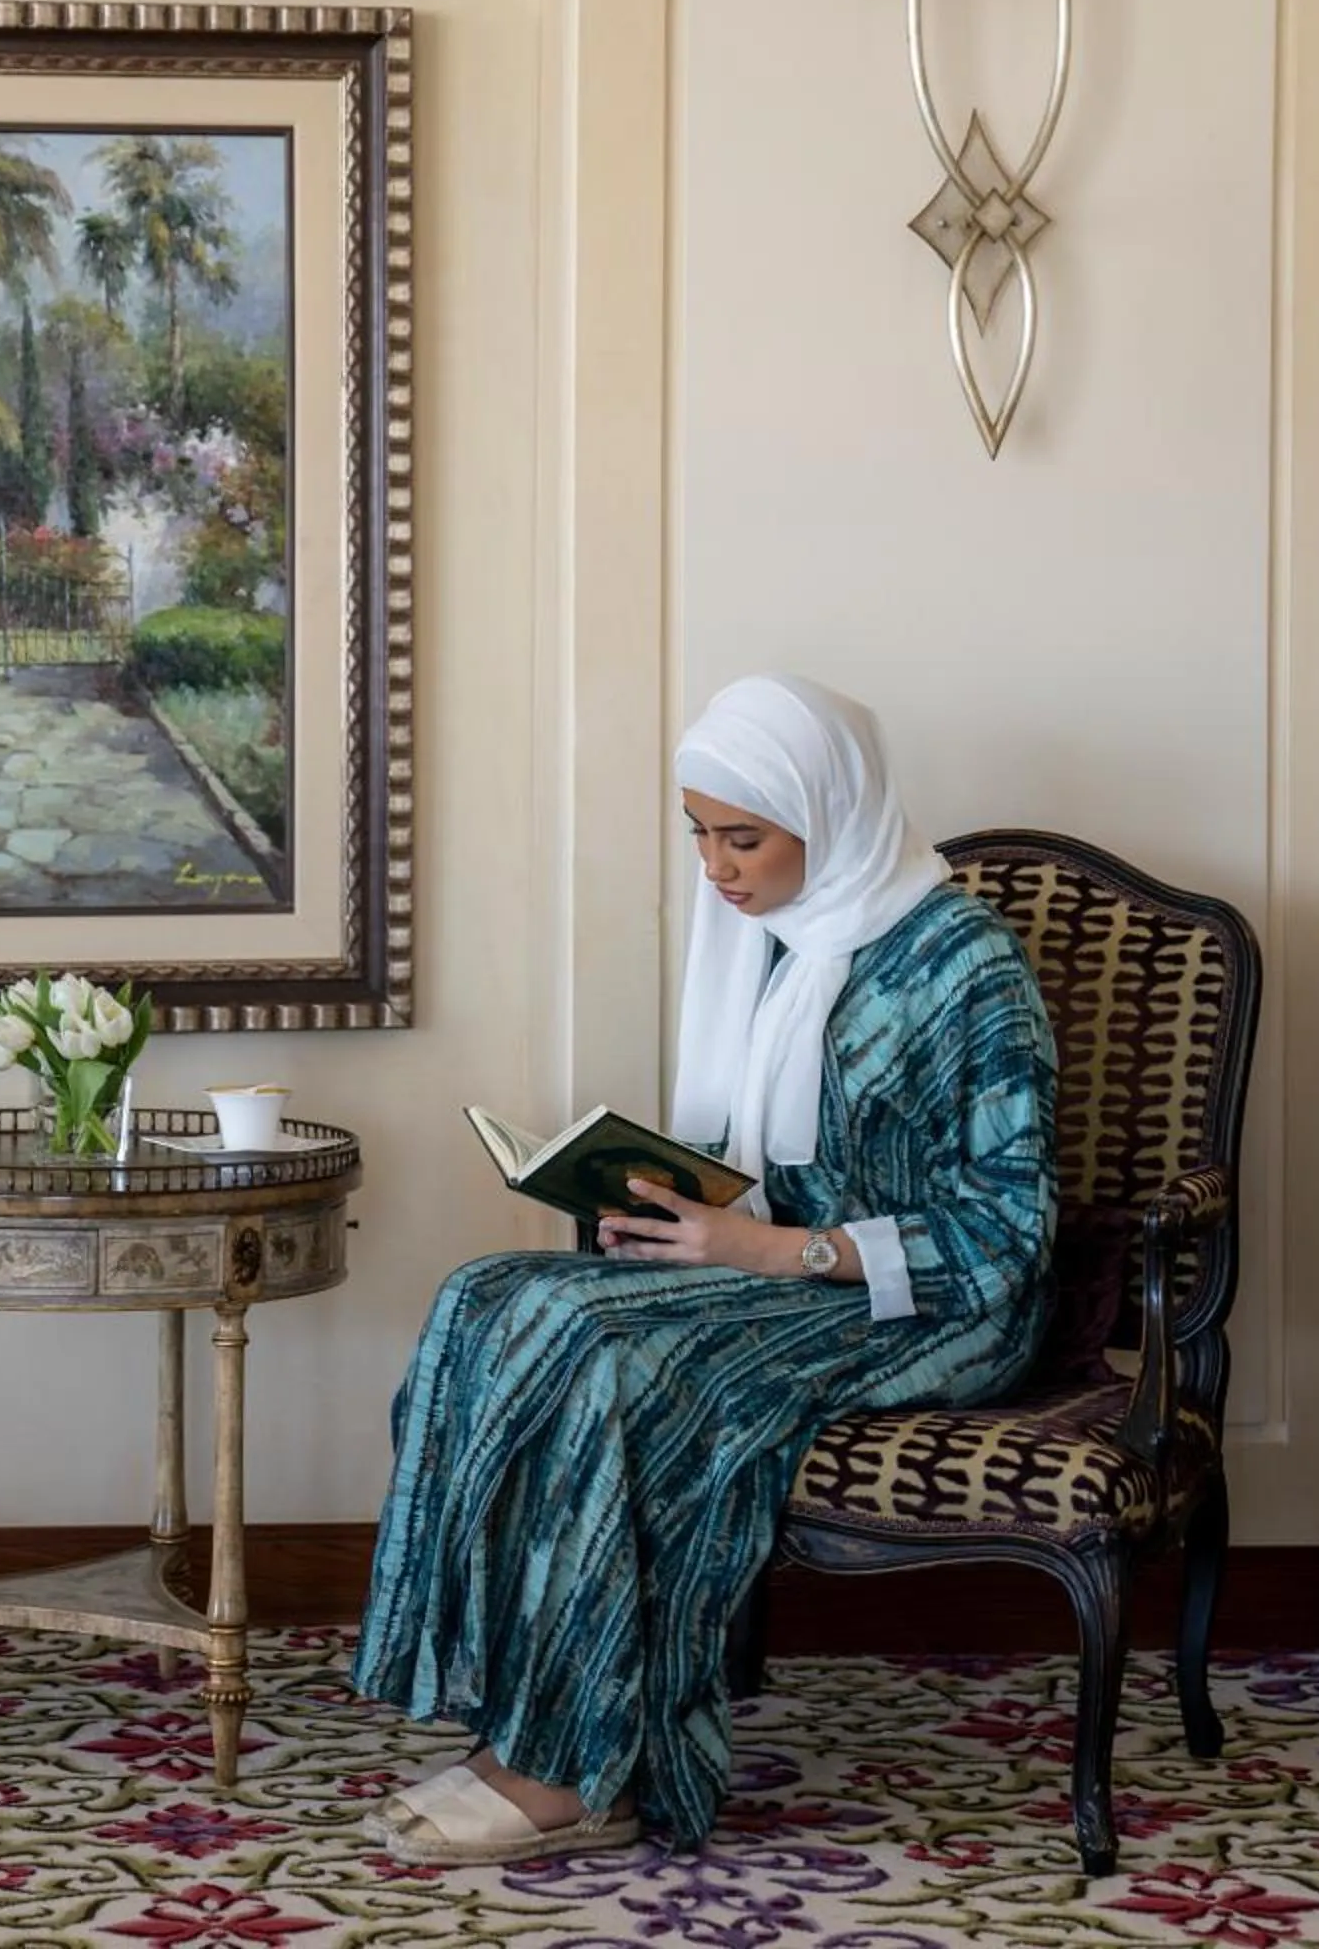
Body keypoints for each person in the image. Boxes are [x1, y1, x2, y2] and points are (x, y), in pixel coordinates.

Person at [350, 673, 1059, 1865]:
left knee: (609, 1353)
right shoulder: (783, 944)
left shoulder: (965, 963)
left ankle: (578, 1768)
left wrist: (761, 1247)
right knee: (488, 1296)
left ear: (828, 820)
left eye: (746, 837)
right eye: (700, 835)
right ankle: (524, 1710)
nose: (718, 869)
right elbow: (776, 1164)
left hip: (936, 1302)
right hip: (780, 1267)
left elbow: (1009, 1227)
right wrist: (679, 1210)